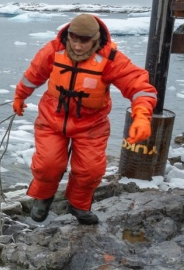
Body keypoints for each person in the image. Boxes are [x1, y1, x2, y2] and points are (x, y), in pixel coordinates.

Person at [12, 14, 157, 225]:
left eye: (84, 40)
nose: (78, 46)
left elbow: (140, 87)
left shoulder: (111, 59)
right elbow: (32, 75)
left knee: (90, 169)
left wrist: (142, 117)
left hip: (91, 123)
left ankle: (78, 205)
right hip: (53, 116)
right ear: (68, 36)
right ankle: (43, 197)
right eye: (74, 39)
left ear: (96, 39)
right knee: (48, 164)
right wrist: (20, 96)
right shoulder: (53, 50)